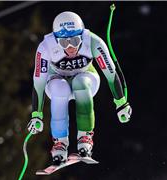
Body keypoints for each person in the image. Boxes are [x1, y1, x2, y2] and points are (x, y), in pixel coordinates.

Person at [27, 11, 132, 163]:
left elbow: (111, 74)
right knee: (59, 87)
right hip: (57, 79)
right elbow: (39, 83)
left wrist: (121, 103)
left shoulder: (94, 41)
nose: (70, 48)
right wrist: (36, 115)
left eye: (75, 41)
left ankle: (85, 137)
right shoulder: (45, 47)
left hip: (87, 79)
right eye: (64, 43)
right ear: (56, 40)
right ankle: (60, 143)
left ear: (82, 36)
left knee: (80, 83)